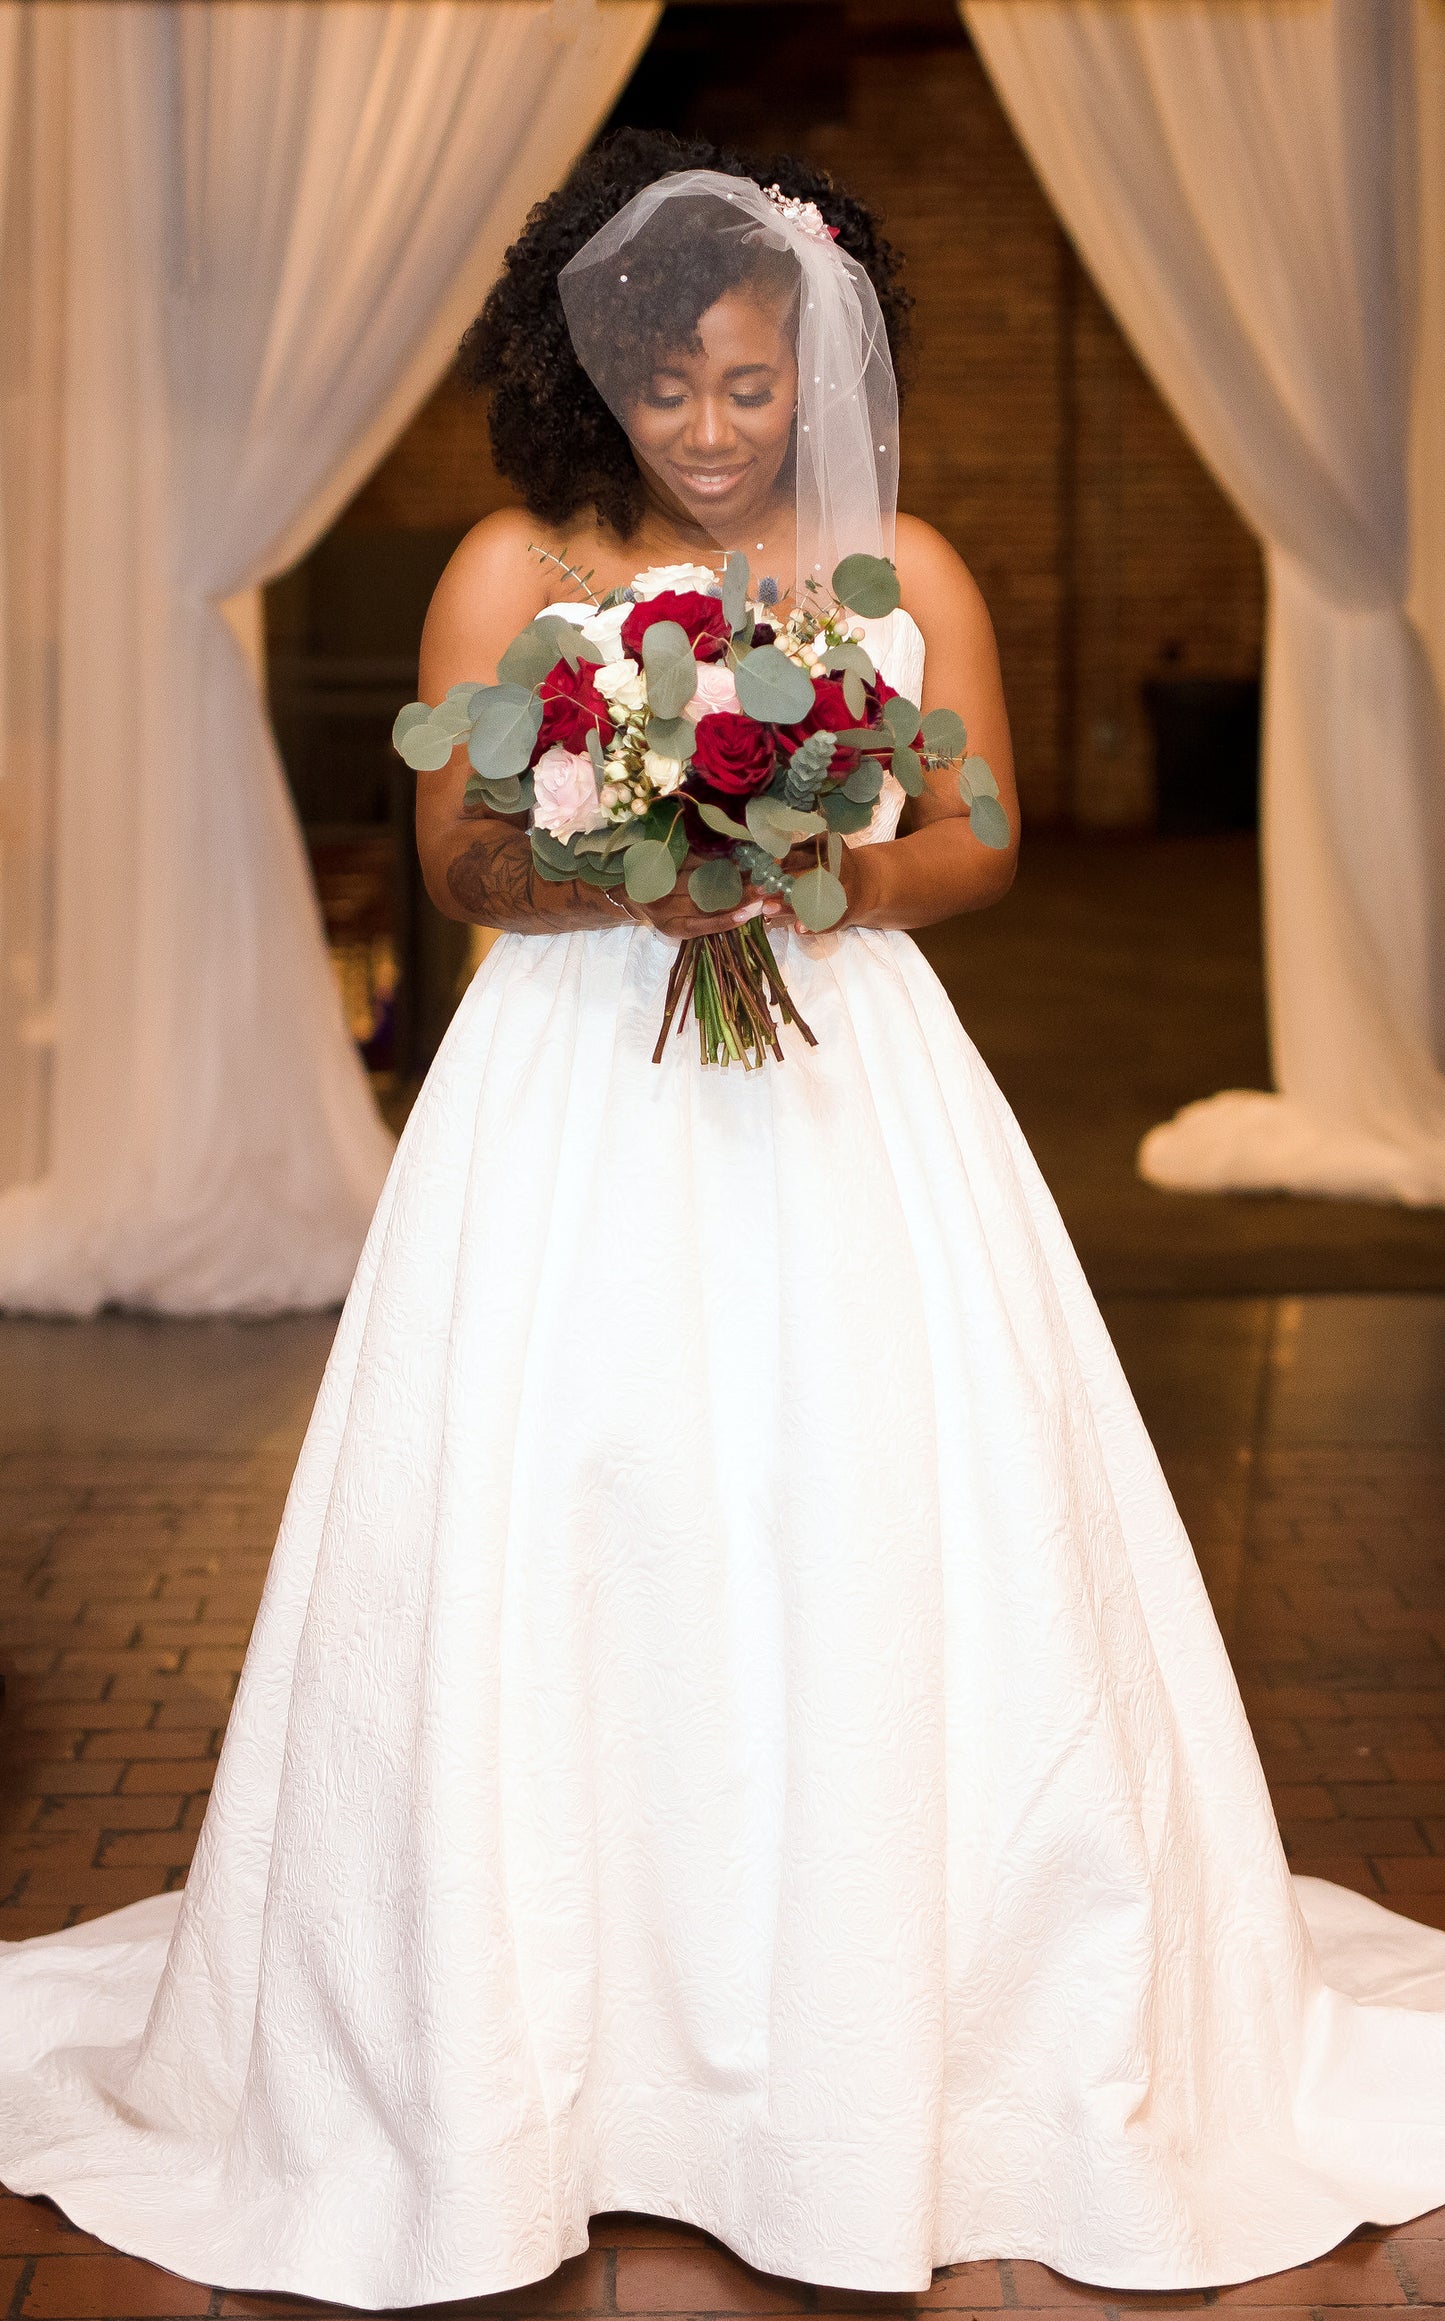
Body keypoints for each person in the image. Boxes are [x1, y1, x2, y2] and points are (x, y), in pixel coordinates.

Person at [1, 126, 1444, 2316]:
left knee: (861, 1492)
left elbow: (979, 841)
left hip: (849, 1089)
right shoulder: (510, 567)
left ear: (818, 368)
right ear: (597, 376)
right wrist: (637, 844)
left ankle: (887, 2024)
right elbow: (462, 864)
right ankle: (546, 2049)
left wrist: (801, 863)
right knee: (583, 1493)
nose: (705, 429)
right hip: (573, 1091)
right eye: (666, 388)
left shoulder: (907, 565)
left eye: (748, 386)